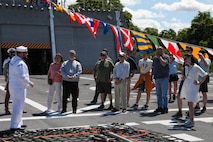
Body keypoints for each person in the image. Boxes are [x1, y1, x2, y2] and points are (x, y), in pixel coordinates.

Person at [9, 46, 34, 131]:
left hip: (14, 86)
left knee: (17, 105)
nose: (27, 54)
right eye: (25, 53)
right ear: (21, 53)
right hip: (18, 87)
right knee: (18, 106)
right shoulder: (20, 63)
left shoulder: (13, 60)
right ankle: (14, 125)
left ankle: (19, 123)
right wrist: (29, 82)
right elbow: (21, 76)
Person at [180, 53, 208, 127]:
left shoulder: (196, 67)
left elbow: (205, 74)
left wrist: (199, 82)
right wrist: (184, 78)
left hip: (193, 85)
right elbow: (186, 76)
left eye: (187, 58)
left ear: (190, 59)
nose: (185, 59)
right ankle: (191, 119)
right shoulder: (186, 67)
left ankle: (192, 120)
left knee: (190, 102)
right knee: (189, 103)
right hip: (187, 85)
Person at [172, 46, 198, 118]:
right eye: (186, 50)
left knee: (189, 97)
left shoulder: (194, 60)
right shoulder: (185, 59)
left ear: (191, 51)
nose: (186, 51)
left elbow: (197, 71)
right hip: (184, 80)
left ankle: (190, 112)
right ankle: (179, 111)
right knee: (179, 95)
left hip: (190, 81)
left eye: (188, 50)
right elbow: (184, 69)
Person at [152, 47, 170, 114]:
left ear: (162, 51)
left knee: (164, 94)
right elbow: (153, 67)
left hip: (164, 77)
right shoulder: (155, 58)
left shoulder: (166, 57)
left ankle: (165, 107)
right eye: (157, 51)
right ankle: (159, 107)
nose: (158, 52)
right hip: (157, 77)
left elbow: (164, 64)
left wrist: (160, 57)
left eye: (159, 51)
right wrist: (152, 75)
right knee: (158, 94)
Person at [3, 48, 16, 115]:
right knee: (8, 95)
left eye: (14, 52)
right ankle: (6, 108)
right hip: (10, 79)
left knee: (18, 95)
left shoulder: (17, 60)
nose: (13, 54)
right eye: (12, 53)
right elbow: (5, 71)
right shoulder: (7, 61)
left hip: (17, 80)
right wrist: (6, 78)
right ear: (9, 54)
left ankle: (19, 108)